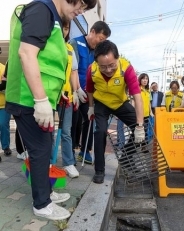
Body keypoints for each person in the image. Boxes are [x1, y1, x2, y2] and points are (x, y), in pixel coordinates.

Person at [5, 0, 96, 220]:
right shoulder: (41, 10)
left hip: (38, 98)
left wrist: (58, 94)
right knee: (40, 151)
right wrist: (41, 99)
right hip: (28, 98)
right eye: (82, 6)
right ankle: (42, 204)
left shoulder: (52, 17)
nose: (79, 12)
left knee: (44, 149)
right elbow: (27, 54)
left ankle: (46, 192)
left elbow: (47, 65)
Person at [86, 40, 145, 184]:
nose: (108, 70)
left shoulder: (126, 68)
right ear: (97, 63)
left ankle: (126, 158)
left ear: (118, 58)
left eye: (112, 65)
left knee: (145, 126)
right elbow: (90, 90)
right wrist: (91, 107)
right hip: (101, 103)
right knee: (99, 132)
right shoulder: (92, 69)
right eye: (103, 67)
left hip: (120, 103)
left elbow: (137, 97)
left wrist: (140, 126)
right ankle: (99, 170)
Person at [69, 21, 111, 164]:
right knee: (73, 122)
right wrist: (76, 89)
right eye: (100, 39)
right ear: (92, 31)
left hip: (87, 94)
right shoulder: (75, 43)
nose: (100, 43)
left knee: (89, 119)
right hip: (74, 91)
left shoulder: (96, 52)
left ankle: (85, 151)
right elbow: (70, 68)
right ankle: (70, 153)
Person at [52, 18, 79, 178]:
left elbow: (73, 72)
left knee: (66, 132)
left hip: (66, 96)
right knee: (47, 132)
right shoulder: (47, 43)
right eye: (62, 27)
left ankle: (68, 163)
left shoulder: (69, 49)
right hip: (49, 94)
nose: (64, 30)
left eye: (67, 27)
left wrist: (75, 91)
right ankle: (48, 163)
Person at [0, 63, 12, 157]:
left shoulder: (4, 68)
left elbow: (9, 86)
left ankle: (6, 146)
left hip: (3, 104)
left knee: (3, 125)